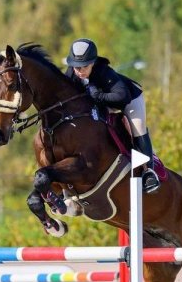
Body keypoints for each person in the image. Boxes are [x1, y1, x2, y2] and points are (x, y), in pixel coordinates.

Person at [64, 38, 160, 194]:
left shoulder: (104, 72)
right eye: (76, 67)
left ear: (93, 63)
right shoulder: (71, 73)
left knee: (137, 128)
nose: (79, 71)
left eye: (84, 66)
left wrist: (99, 97)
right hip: (100, 102)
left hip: (129, 99)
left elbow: (122, 97)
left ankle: (149, 172)